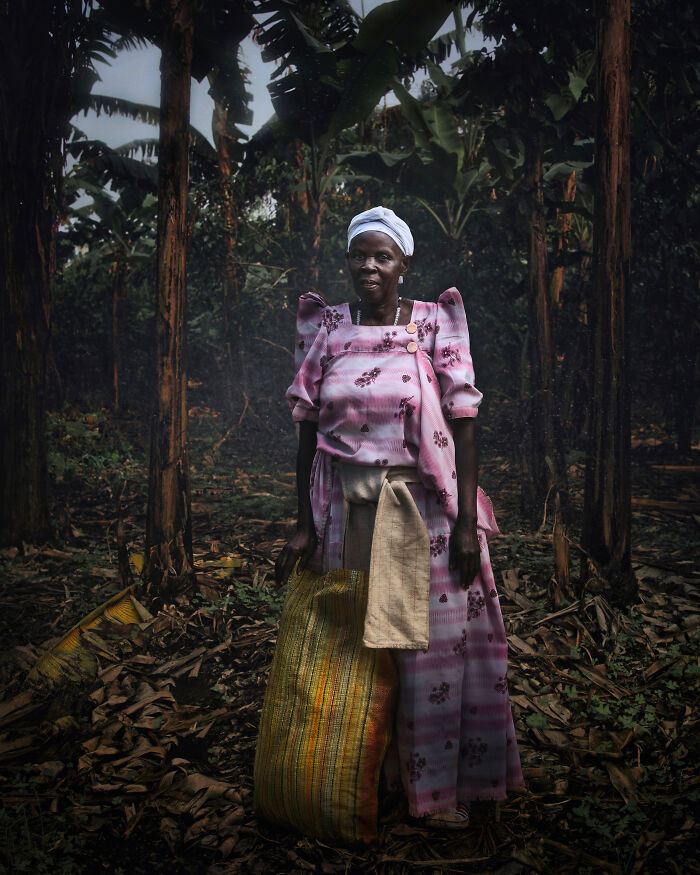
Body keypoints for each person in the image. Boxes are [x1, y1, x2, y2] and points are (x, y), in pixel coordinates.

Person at [275, 205, 524, 828]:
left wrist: (466, 522)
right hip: (347, 513)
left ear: (403, 265)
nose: (369, 267)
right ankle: (366, 776)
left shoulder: (437, 323)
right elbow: (306, 433)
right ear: (348, 261)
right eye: (360, 254)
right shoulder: (327, 328)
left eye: (382, 257)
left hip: (425, 517)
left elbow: (464, 426)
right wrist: (303, 521)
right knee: (360, 649)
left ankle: (435, 794)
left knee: (428, 652)